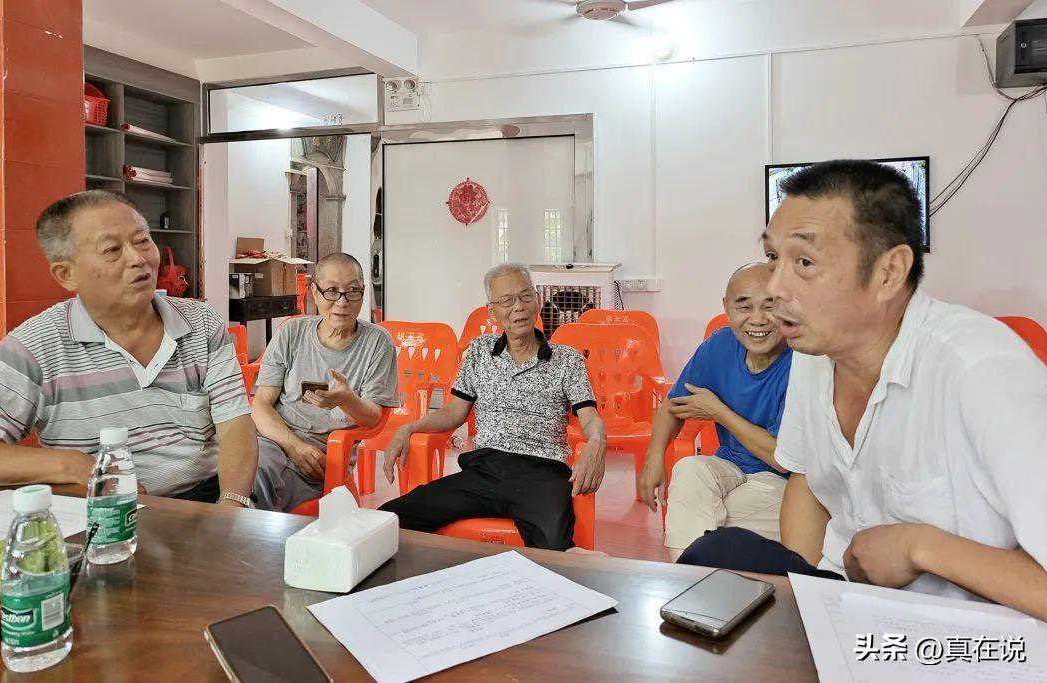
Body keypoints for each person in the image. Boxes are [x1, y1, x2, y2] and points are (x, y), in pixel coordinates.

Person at [679, 160, 1047, 619]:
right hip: (850, 603)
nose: (774, 288)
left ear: (888, 273)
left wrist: (919, 547)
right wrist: (802, 602)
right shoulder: (814, 354)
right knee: (714, 555)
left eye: (804, 262)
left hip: (957, 630)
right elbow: (808, 480)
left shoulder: (982, 371)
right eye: (773, 258)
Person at [0, 190, 258, 507]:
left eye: (142, 241)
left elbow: (235, 424)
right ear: (66, 274)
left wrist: (231, 505)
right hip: (100, 509)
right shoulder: (36, 346)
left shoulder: (201, 322)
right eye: (112, 250)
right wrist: (71, 465)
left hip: (203, 501)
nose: (139, 259)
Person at [378, 263, 607, 551]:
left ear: (537, 300)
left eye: (525, 296)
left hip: (543, 473)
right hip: (484, 471)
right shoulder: (479, 351)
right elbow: (455, 411)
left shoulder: (567, 359)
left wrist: (597, 441)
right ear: (492, 311)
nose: (519, 307)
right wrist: (409, 428)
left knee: (554, 549)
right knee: (388, 521)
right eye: (506, 301)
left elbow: (590, 418)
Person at [637, 263, 792, 561]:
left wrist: (718, 411)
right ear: (727, 308)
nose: (757, 319)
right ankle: (695, 575)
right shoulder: (720, 345)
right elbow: (673, 406)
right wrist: (654, 458)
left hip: (782, 483)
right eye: (744, 306)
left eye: (770, 306)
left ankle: (689, 576)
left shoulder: (801, 359)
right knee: (688, 469)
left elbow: (782, 460)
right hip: (730, 467)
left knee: (706, 517)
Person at [251, 253, 398, 512]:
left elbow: (374, 418)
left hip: (321, 457)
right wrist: (294, 447)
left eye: (352, 291)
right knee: (244, 470)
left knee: (257, 486)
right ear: (314, 293)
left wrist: (347, 400)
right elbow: (261, 404)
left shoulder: (377, 342)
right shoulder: (291, 332)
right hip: (273, 440)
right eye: (331, 291)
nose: (342, 302)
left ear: (363, 293)